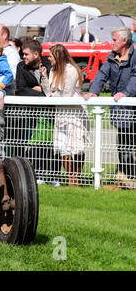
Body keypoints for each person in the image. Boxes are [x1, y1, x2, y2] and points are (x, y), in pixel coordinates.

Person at [84, 27, 136, 185]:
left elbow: (135, 76)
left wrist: (126, 93)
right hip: (121, 111)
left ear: (124, 41)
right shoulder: (112, 56)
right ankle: (127, 176)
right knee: (123, 143)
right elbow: (101, 74)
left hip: (131, 106)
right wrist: (93, 92)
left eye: (114, 40)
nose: (111, 43)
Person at [41, 44, 88, 187]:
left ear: (58, 56)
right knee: (62, 147)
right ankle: (69, 179)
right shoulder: (52, 71)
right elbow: (49, 94)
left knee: (77, 147)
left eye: (50, 56)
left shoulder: (71, 70)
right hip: (60, 114)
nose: (48, 59)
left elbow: (66, 94)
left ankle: (76, 179)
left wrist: (53, 92)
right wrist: (44, 79)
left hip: (75, 114)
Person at [16, 40, 61, 186]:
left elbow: (54, 87)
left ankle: (55, 175)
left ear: (36, 54)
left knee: (53, 143)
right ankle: (39, 173)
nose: (23, 57)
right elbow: (21, 89)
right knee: (37, 143)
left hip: (52, 111)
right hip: (33, 112)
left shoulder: (50, 65)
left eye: (26, 54)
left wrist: (40, 89)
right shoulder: (21, 66)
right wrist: (42, 94)